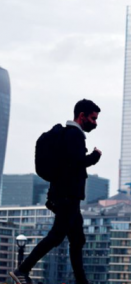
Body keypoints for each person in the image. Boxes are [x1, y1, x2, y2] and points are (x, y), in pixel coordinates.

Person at [9, 99, 102, 284]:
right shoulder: (74, 135)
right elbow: (76, 163)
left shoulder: (69, 135)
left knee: (78, 240)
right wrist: (94, 157)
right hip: (68, 196)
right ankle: (22, 270)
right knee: (57, 236)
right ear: (81, 116)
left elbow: (68, 165)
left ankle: (82, 282)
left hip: (67, 196)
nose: (95, 123)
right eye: (93, 118)